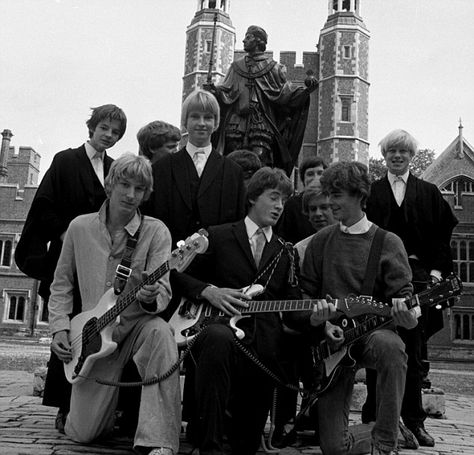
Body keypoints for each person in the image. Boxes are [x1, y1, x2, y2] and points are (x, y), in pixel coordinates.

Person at [48, 154, 181, 455]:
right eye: (125, 185)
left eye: (140, 189)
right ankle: (105, 414)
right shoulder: (79, 228)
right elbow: (61, 284)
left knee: (161, 333)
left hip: (137, 327)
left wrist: (151, 298)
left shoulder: (156, 231)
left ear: (147, 194)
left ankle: (158, 441)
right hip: (94, 337)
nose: (131, 195)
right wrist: (59, 328)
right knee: (83, 434)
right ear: (110, 185)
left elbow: (163, 291)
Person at [172, 167, 307, 455]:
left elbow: (294, 308)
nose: (279, 206)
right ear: (253, 198)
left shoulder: (287, 251)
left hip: (264, 347)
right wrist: (210, 291)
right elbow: (176, 274)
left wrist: (318, 314)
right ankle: (208, 441)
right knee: (218, 338)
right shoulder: (217, 236)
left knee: (244, 444)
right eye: (273, 197)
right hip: (218, 333)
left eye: (283, 200)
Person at [14, 103, 127, 430]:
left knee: (95, 335)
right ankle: (64, 407)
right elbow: (45, 206)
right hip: (69, 259)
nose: (109, 135)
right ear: (91, 127)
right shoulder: (66, 161)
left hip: (102, 264)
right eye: (104, 128)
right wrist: (68, 233)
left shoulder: (114, 168)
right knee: (68, 333)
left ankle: (92, 406)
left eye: (116, 132)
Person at [301, 161, 418, 455]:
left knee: (392, 348)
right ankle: (390, 429)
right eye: (327, 193)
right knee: (334, 448)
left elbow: (407, 299)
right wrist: (319, 321)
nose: (328, 202)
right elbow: (306, 293)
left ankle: (385, 442)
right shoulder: (322, 241)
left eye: (336, 195)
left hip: (374, 334)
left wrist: (409, 318)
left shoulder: (387, 242)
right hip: (334, 343)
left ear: (359, 195)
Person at [364, 129, 458, 447]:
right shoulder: (372, 192)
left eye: (403, 152)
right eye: (391, 151)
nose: (397, 156)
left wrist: (434, 274)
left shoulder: (429, 192)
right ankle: (374, 418)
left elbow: (442, 236)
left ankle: (414, 422)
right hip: (379, 280)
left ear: (411, 156)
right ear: (385, 155)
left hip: (417, 279)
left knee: (414, 352)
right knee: (381, 344)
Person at [271, 187, 336, 448]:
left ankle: (321, 416)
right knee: (288, 344)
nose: (318, 214)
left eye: (324, 207)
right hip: (308, 322)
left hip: (341, 324)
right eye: (312, 210)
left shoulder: (347, 242)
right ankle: (284, 421)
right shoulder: (298, 249)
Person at [205, 25, 318, 174]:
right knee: (231, 161)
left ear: (259, 41)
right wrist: (214, 90)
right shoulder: (236, 66)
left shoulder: (273, 68)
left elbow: (284, 93)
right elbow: (226, 91)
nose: (244, 40)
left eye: (248, 37)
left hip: (260, 122)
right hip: (236, 122)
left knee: (260, 161)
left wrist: (306, 91)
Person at [143, 89, 246, 248]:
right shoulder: (161, 170)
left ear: (216, 123)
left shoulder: (233, 173)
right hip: (169, 263)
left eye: (208, 117)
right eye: (195, 116)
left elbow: (238, 226)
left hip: (216, 265)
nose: (202, 123)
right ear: (185, 121)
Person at [276, 156, 327, 244]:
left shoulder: (333, 201)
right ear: (303, 179)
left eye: (320, 173)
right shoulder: (292, 205)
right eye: (310, 174)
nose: (316, 177)